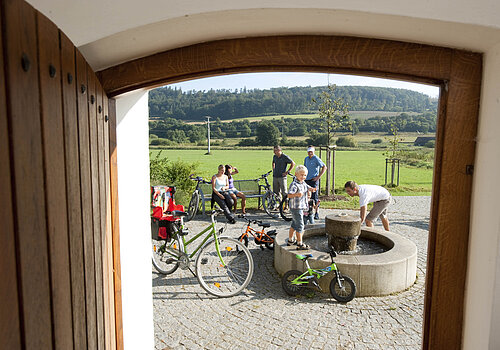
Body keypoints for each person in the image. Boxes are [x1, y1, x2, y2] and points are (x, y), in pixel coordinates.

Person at [287, 165, 316, 250]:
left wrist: (312, 189)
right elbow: (288, 195)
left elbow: (308, 188)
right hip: (296, 208)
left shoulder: (303, 183)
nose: (303, 177)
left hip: (300, 207)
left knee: (294, 224)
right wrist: (296, 194)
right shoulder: (294, 184)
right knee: (300, 225)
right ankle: (299, 243)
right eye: (301, 175)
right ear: (296, 174)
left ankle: (290, 240)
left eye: (305, 175)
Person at [304, 146, 326, 220]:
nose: (310, 153)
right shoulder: (306, 159)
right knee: (307, 197)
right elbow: (304, 168)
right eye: (309, 152)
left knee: (315, 197)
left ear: (313, 152)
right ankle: (308, 212)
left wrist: (318, 177)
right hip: (306, 180)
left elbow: (324, 167)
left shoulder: (316, 158)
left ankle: (317, 212)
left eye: (311, 152)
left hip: (314, 180)